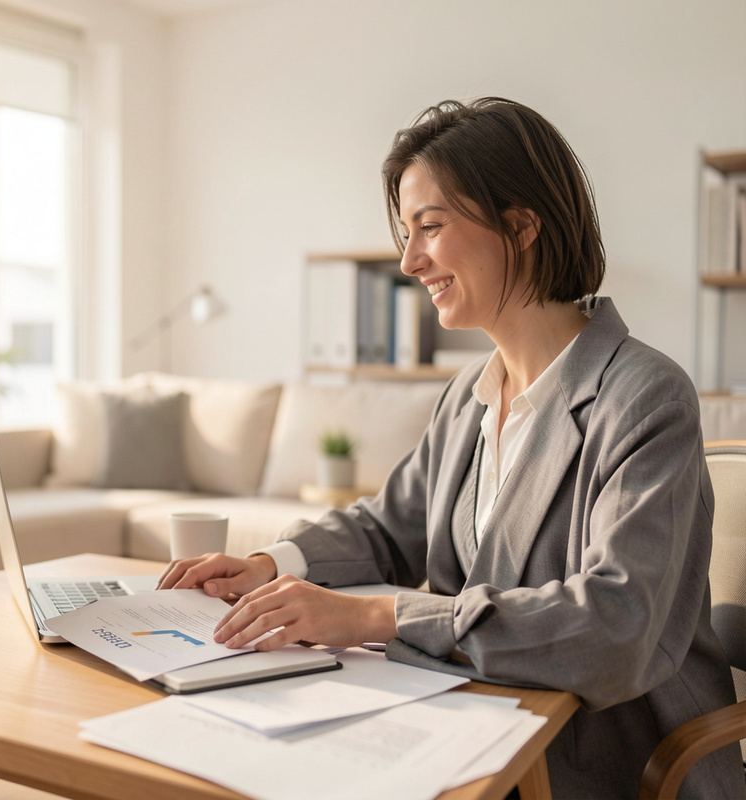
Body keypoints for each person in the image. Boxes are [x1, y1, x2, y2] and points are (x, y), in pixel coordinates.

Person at [157, 97, 745, 799]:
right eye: (407, 233)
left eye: (430, 227)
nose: (409, 261)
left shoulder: (645, 397)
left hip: (606, 761)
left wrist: (377, 615)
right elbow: (386, 526)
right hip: (477, 719)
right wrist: (268, 567)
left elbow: (614, 630)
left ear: (522, 225)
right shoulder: (468, 395)